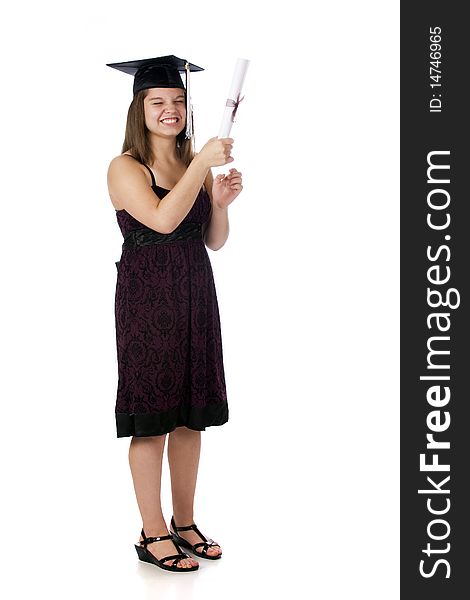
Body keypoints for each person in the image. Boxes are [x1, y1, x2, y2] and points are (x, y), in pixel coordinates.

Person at [106, 55, 243, 572]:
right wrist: (203, 166)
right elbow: (163, 221)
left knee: (191, 420)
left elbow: (213, 240)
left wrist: (222, 203)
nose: (170, 110)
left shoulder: (193, 163)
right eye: (157, 102)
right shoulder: (125, 166)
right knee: (153, 420)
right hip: (148, 302)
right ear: (139, 109)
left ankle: (184, 524)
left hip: (196, 297)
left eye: (178, 101)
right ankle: (153, 531)